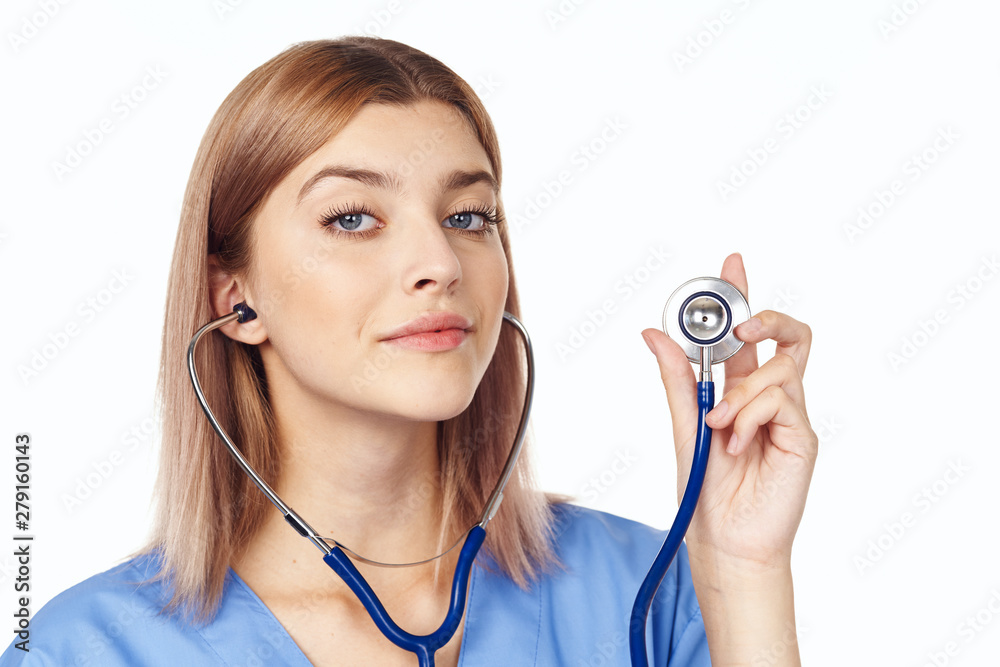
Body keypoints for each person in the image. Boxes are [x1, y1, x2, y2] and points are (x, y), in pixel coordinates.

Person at [1, 36, 817, 666]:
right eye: (352, 218)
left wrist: (744, 572)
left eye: (468, 216)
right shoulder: (85, 649)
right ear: (234, 297)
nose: (439, 264)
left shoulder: (651, 588)